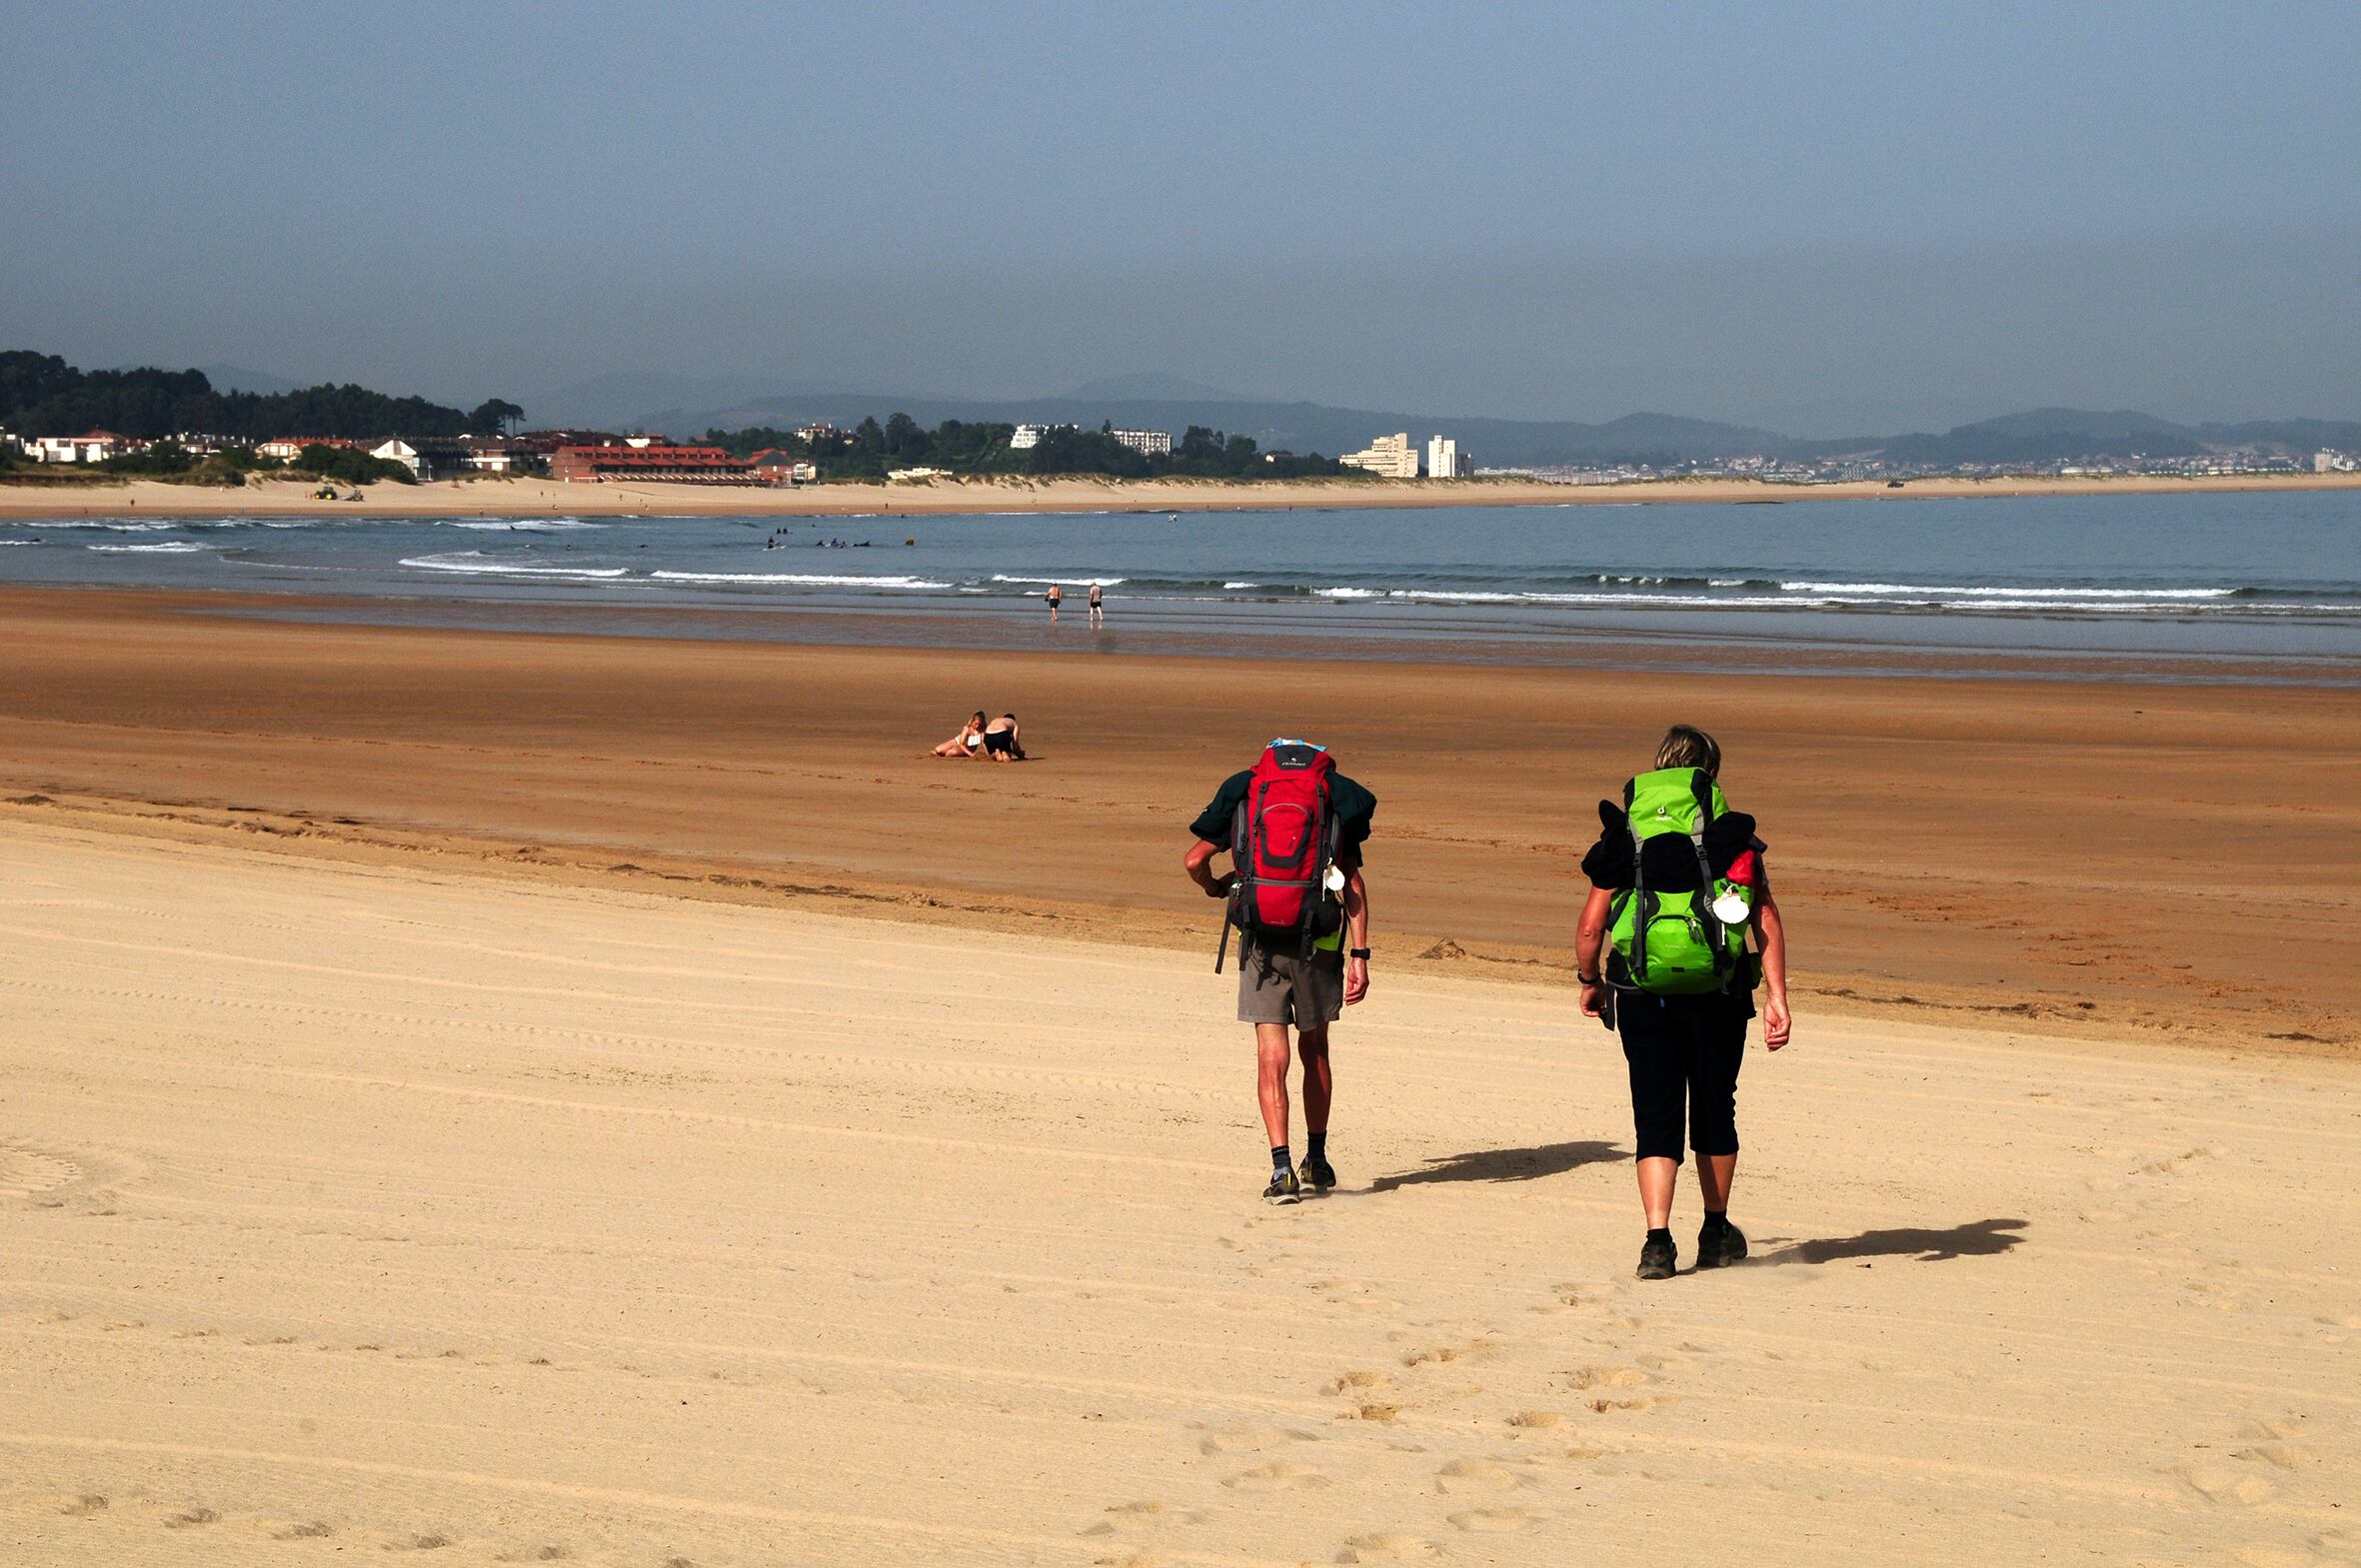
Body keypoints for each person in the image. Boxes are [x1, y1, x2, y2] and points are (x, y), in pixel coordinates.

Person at [1576, 725, 1790, 1279]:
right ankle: (1716, 1231)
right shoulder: (1730, 835)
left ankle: (1657, 1243)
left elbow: (1590, 927)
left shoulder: (1626, 837)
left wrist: (1589, 980)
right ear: (1709, 777)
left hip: (1643, 995)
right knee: (1715, 1107)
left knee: (1655, 1112)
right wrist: (1777, 997)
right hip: (1718, 994)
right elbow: (1762, 916)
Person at [1183, 742, 1374, 1204]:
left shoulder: (1245, 788)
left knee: (1272, 1056)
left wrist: (1216, 887)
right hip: (1320, 940)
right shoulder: (1336, 792)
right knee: (1315, 1048)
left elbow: (1193, 859)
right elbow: (1351, 884)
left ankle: (1282, 1167)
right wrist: (1360, 955)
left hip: (1260, 942)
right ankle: (1318, 1158)